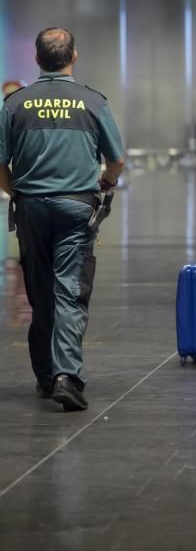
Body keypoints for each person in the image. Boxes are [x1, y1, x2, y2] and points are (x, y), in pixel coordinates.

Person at [0, 27, 124, 411]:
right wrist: (105, 182)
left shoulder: (15, 104)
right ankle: (66, 376)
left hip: (31, 208)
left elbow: (0, 163)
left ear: (37, 59)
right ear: (74, 57)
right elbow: (117, 160)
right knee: (69, 291)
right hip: (76, 208)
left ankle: (44, 375)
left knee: (40, 294)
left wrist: (17, 192)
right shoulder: (92, 102)